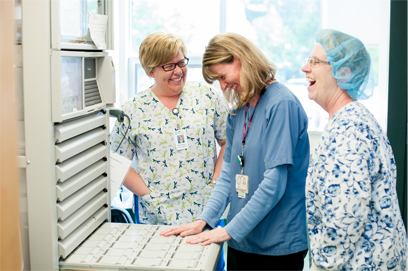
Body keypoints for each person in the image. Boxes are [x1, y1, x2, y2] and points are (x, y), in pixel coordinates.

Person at [161, 32, 310, 271]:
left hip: (277, 243)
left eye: (223, 76)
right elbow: (228, 175)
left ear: (241, 59)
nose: (223, 85)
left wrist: (228, 230)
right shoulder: (239, 110)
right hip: (243, 240)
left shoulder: (281, 105)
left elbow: (275, 183)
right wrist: (205, 220)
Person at [301, 29, 408, 270]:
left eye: (314, 61)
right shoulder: (353, 119)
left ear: (344, 72)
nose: (304, 68)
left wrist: (324, 266)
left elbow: (345, 216)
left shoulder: (348, 129)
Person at [109, 32, 228, 226]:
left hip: (207, 207)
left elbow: (228, 142)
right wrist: (148, 195)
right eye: (168, 66)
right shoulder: (133, 110)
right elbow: (117, 160)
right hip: (157, 212)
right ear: (150, 71)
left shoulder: (207, 96)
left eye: (181, 63)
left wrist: (215, 183)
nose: (178, 71)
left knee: (208, 255)